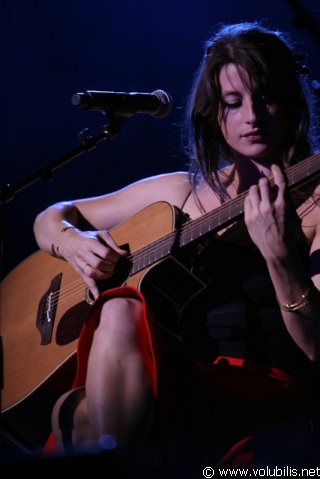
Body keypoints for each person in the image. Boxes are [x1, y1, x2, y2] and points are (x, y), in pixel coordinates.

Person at [33, 20, 320, 475]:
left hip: (257, 387)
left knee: (76, 408)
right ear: (212, 113)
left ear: (290, 102)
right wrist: (73, 242)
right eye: (233, 102)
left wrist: (282, 261)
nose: (252, 116)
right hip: (166, 378)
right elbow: (52, 216)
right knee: (120, 311)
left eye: (266, 97)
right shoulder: (179, 191)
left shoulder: (316, 207)